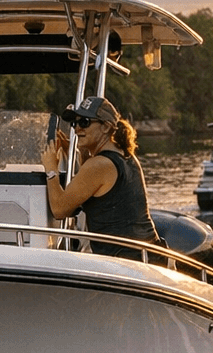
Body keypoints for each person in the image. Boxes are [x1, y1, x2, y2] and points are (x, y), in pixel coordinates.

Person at [40, 96, 161, 259]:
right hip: (148, 256)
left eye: (84, 122)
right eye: (74, 123)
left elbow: (59, 209)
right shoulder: (126, 157)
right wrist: (72, 150)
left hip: (127, 262)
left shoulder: (99, 165)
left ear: (105, 127)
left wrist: (51, 170)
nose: (77, 130)